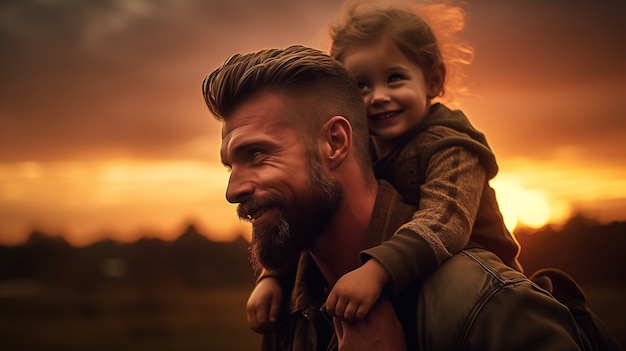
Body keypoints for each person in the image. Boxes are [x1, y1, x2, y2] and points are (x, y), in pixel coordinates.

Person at [202, 44, 587, 350]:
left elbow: (445, 218)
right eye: (230, 166)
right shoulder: (287, 311)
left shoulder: (488, 305)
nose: (233, 191)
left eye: (256, 154)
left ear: (335, 142)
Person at [248, 2, 523, 326]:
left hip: (476, 300)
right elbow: (313, 212)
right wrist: (274, 276)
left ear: (433, 81)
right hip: (404, 287)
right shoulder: (356, 148)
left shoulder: (452, 146)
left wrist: (377, 271)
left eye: (395, 78)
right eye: (361, 86)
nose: (378, 96)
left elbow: (443, 223)